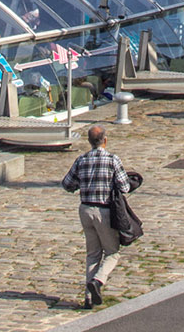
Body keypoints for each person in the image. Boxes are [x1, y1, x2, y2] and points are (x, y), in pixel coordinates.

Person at [62, 123, 129, 309]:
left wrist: (80, 184)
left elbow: (67, 184)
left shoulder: (81, 160)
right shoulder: (112, 160)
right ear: (105, 140)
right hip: (104, 210)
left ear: (89, 141)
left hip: (85, 209)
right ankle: (98, 281)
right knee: (112, 252)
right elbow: (124, 187)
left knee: (92, 254)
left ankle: (88, 298)